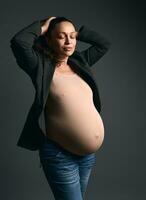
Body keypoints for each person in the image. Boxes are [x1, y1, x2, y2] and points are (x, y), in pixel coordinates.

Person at [10, 16, 111, 200]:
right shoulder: (40, 66)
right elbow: (19, 42)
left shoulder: (80, 63)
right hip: (60, 154)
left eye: (72, 37)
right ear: (48, 39)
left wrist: (77, 32)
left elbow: (103, 44)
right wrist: (44, 26)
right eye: (61, 36)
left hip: (87, 157)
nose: (68, 41)